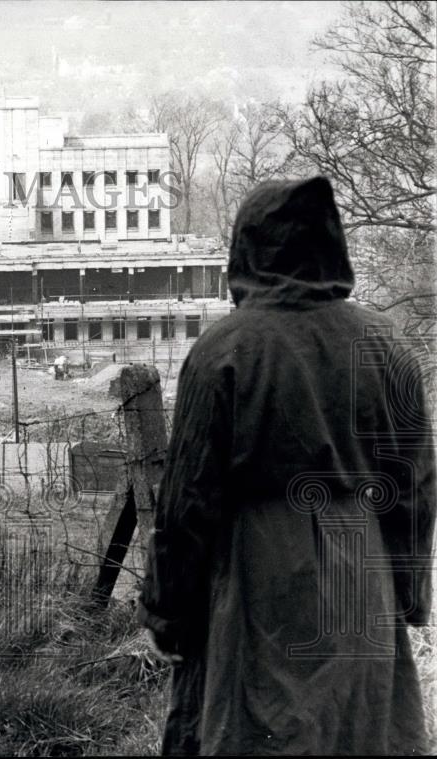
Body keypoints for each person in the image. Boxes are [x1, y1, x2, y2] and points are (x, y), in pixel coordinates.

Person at [139, 176, 435, 755]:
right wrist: (410, 592)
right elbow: (414, 489)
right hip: (360, 578)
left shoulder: (223, 352)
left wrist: (168, 612)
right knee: (358, 732)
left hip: (257, 584)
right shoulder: (386, 345)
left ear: (245, 249)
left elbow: (187, 502)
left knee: (260, 731)